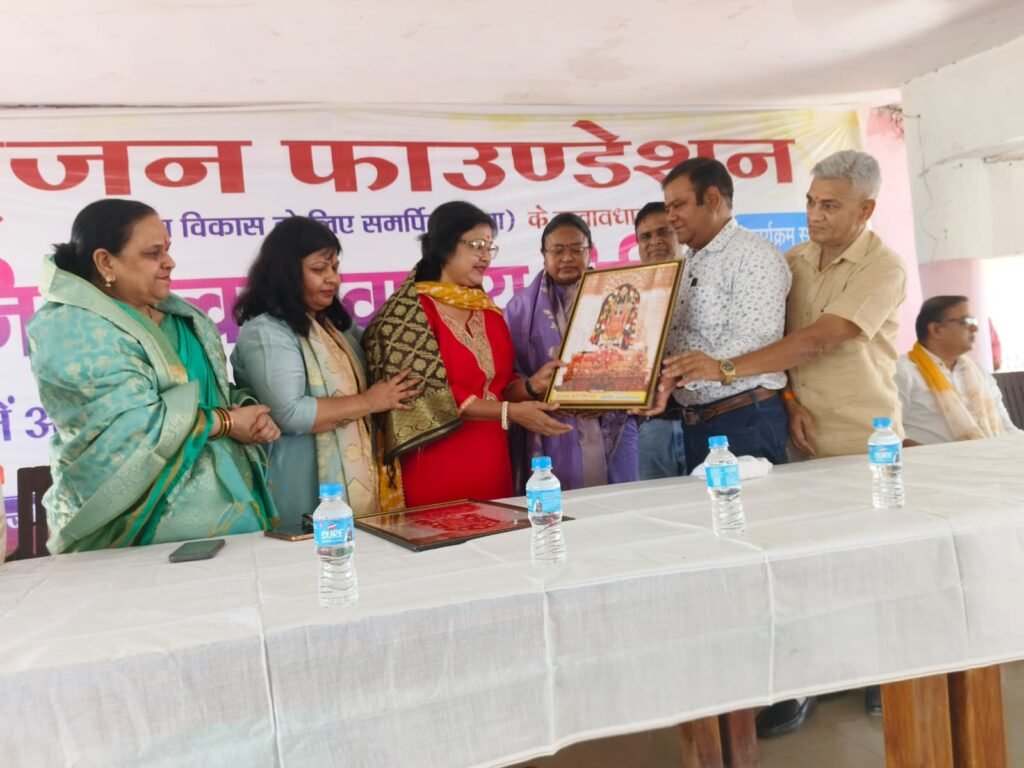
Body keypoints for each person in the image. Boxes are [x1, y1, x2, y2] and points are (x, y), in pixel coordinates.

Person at [664, 150, 908, 734]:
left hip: (861, 436)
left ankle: (887, 671)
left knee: (870, 557)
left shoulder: (884, 267)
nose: (815, 214)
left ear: (866, 209)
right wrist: (790, 399)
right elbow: (782, 350)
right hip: (797, 429)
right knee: (800, 562)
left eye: (831, 205)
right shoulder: (794, 259)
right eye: (810, 201)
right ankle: (808, 680)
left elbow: (820, 338)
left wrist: (723, 368)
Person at [26, 199, 280, 553]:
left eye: (167, 250)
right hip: (135, 528)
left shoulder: (183, 316)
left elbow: (212, 391)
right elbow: (133, 428)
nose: (169, 262)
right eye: (153, 253)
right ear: (105, 262)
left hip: (235, 508)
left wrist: (245, 410)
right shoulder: (71, 331)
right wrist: (227, 422)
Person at [362, 201, 570, 509]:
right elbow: (422, 390)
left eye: (490, 247)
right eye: (476, 246)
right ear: (445, 246)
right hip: (434, 461)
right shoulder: (408, 313)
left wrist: (530, 387)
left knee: (499, 534)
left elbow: (500, 386)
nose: (486, 256)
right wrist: (509, 412)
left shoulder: (487, 311)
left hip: (491, 457)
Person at [231, 217, 419, 526]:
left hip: (358, 482)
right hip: (298, 486)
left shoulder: (334, 327)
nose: (333, 278)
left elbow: (382, 351)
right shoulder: (267, 331)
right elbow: (289, 413)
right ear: (286, 272)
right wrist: (370, 402)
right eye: (319, 269)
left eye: (334, 267)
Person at [639, 157, 792, 471]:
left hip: (743, 420)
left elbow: (757, 339)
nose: (671, 217)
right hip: (697, 424)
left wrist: (680, 374)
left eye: (678, 206)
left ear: (711, 199)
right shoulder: (686, 264)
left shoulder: (753, 254)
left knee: (750, 504)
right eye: (668, 208)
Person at [504, 213, 638, 493]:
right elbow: (507, 377)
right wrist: (537, 389)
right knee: (557, 506)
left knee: (620, 505)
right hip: (549, 426)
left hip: (609, 421)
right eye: (557, 250)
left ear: (590, 251)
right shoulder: (518, 308)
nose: (567, 258)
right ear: (544, 255)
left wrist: (609, 397)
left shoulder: (619, 298)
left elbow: (638, 362)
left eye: (576, 249)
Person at [896, 296, 1019, 444]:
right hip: (936, 458)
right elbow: (888, 432)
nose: (975, 328)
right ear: (936, 330)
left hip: (994, 454)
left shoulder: (979, 373)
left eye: (974, 322)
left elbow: (1007, 428)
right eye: (966, 321)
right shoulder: (902, 372)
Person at [632, 202, 688, 480]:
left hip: (705, 419)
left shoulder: (700, 281)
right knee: (655, 504)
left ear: (679, 234)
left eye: (664, 232)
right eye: (646, 236)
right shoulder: (627, 294)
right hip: (650, 426)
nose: (654, 241)